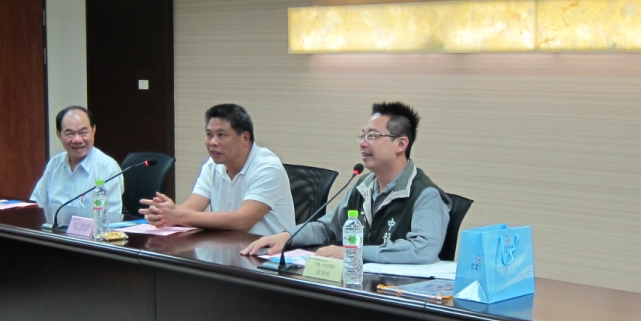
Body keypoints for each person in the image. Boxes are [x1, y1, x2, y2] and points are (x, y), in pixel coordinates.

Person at [242, 101, 449, 264]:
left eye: (373, 136)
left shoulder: (425, 195)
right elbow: (328, 229)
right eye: (362, 135)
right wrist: (288, 236)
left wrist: (353, 253)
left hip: (397, 294)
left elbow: (422, 250)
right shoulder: (363, 185)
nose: (363, 143)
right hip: (357, 283)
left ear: (401, 144)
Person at [140, 104, 295, 236]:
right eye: (209, 135)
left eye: (221, 135)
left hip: (269, 255)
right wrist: (163, 213)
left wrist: (178, 215)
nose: (213, 142)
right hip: (227, 249)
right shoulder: (212, 165)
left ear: (245, 138)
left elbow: (243, 220)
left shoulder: (267, 167)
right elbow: (191, 208)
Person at [32, 106, 123, 227]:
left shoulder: (107, 169)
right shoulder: (54, 164)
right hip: (53, 234)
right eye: (70, 134)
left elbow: (112, 221)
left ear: (93, 130)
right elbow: (36, 204)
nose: (77, 140)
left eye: (83, 133)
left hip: (91, 237)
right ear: (59, 135)